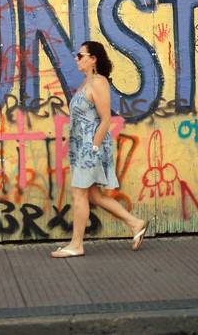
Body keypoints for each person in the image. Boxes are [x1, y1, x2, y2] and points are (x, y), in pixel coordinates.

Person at [51, 41, 148, 258]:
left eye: (80, 55)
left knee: (79, 193)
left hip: (89, 148)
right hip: (81, 147)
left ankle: (76, 245)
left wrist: (93, 148)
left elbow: (105, 120)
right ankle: (135, 223)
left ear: (93, 59)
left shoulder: (98, 82)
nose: (77, 59)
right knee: (94, 195)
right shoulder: (87, 82)